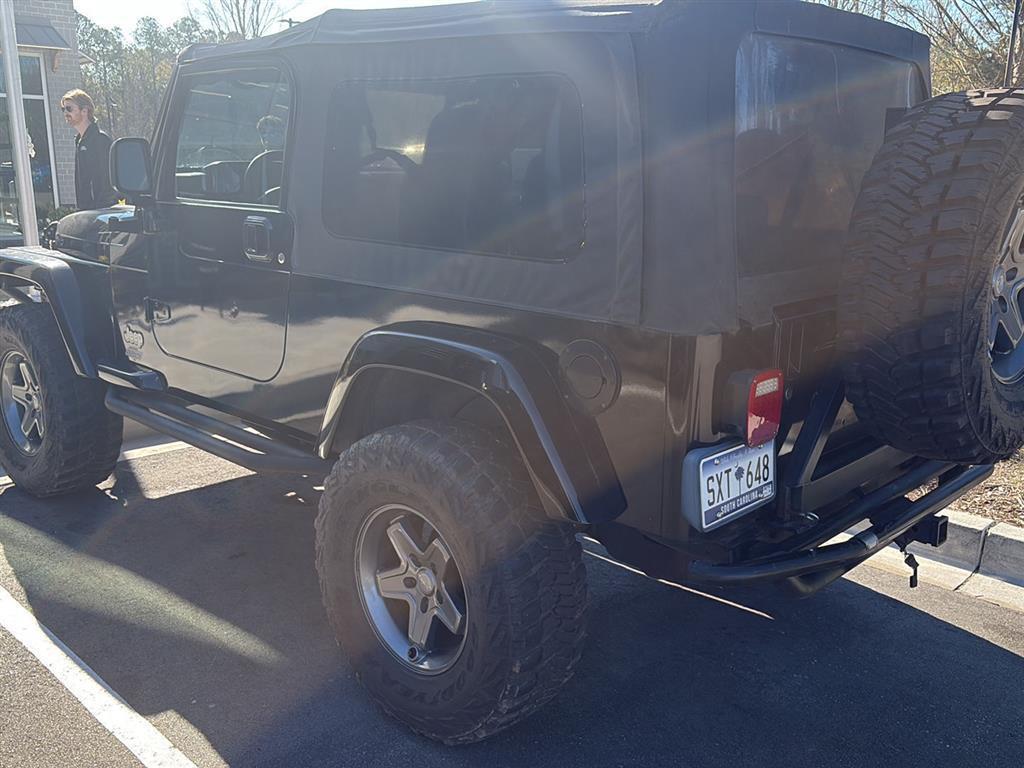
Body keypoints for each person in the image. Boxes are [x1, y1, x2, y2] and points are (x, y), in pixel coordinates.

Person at [61, 89, 117, 210]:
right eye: (63, 109)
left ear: (85, 111)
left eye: (69, 109)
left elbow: (105, 182)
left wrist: (97, 210)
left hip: (100, 213)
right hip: (86, 212)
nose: (65, 113)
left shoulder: (100, 140)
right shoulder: (79, 141)